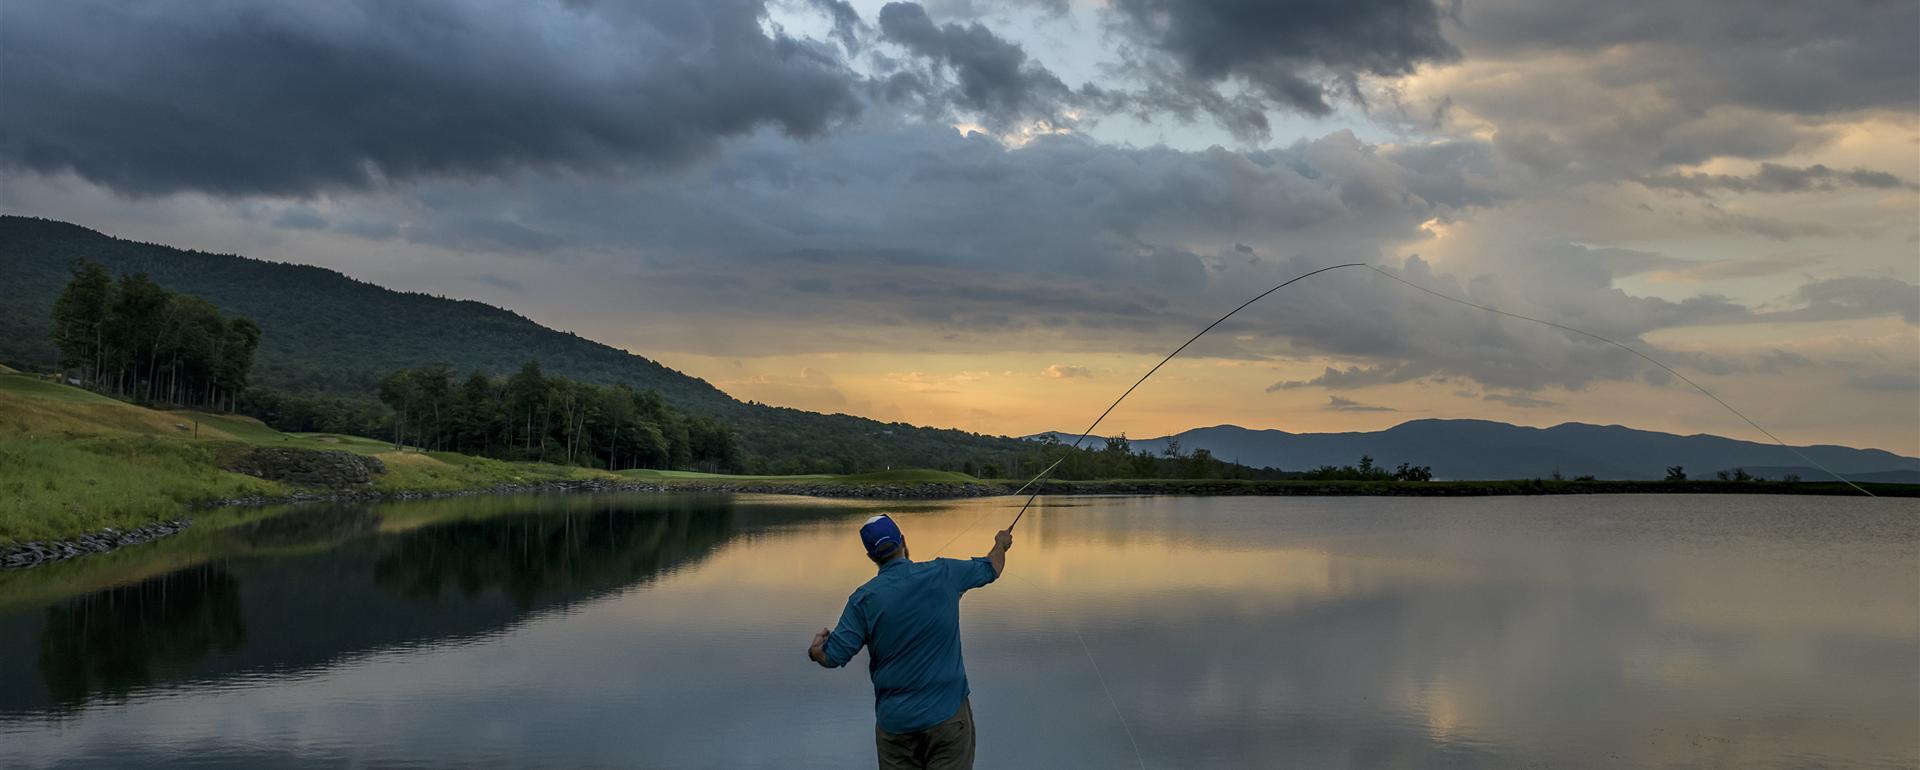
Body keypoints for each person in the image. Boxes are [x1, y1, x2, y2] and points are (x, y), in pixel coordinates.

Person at [808, 514, 1012, 770]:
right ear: (903, 541)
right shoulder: (944, 573)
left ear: (871, 556)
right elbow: (992, 567)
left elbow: (832, 656)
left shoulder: (863, 600)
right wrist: (1000, 543)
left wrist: (815, 651)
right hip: (948, 718)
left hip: (896, 727)